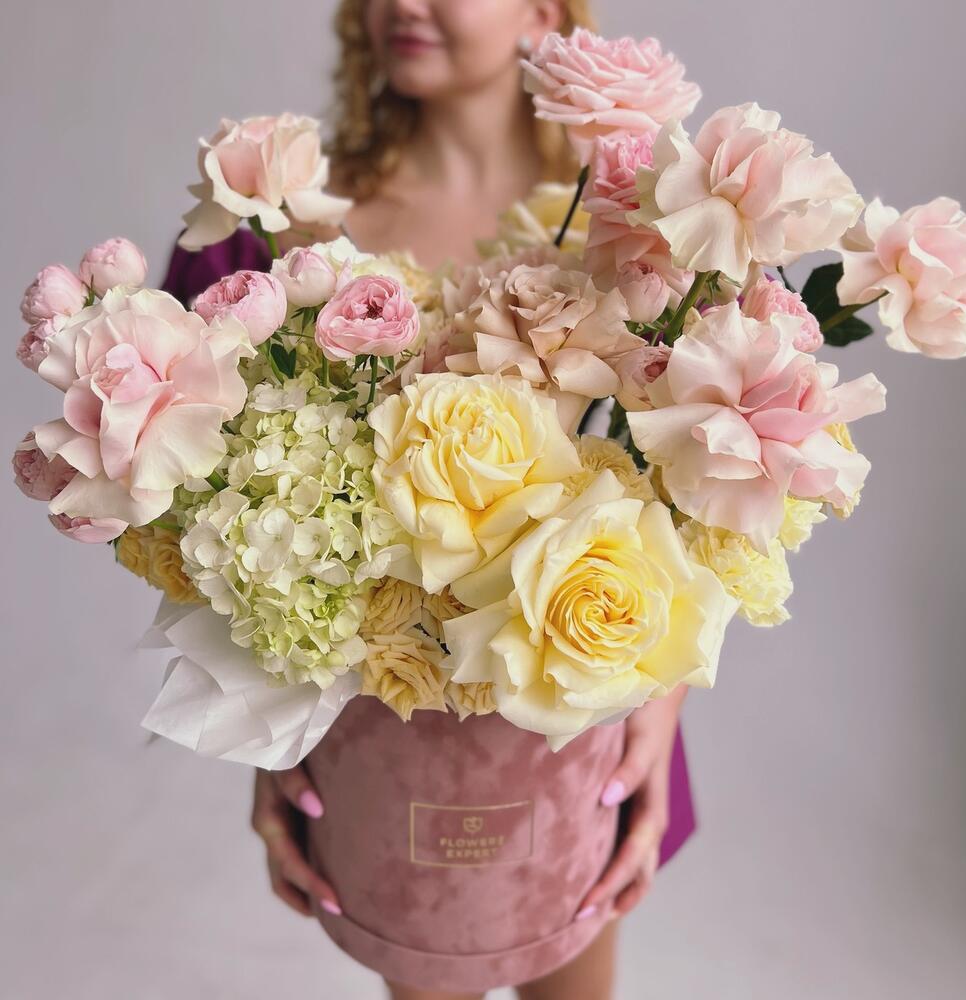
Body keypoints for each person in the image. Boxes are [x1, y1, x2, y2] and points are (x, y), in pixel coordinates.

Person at [162, 2, 695, 997]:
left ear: (543, 11)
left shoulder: (635, 224)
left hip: (589, 695)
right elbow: (206, 513)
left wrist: (659, 705)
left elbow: (706, 490)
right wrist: (270, 742)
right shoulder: (281, 228)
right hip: (380, 741)